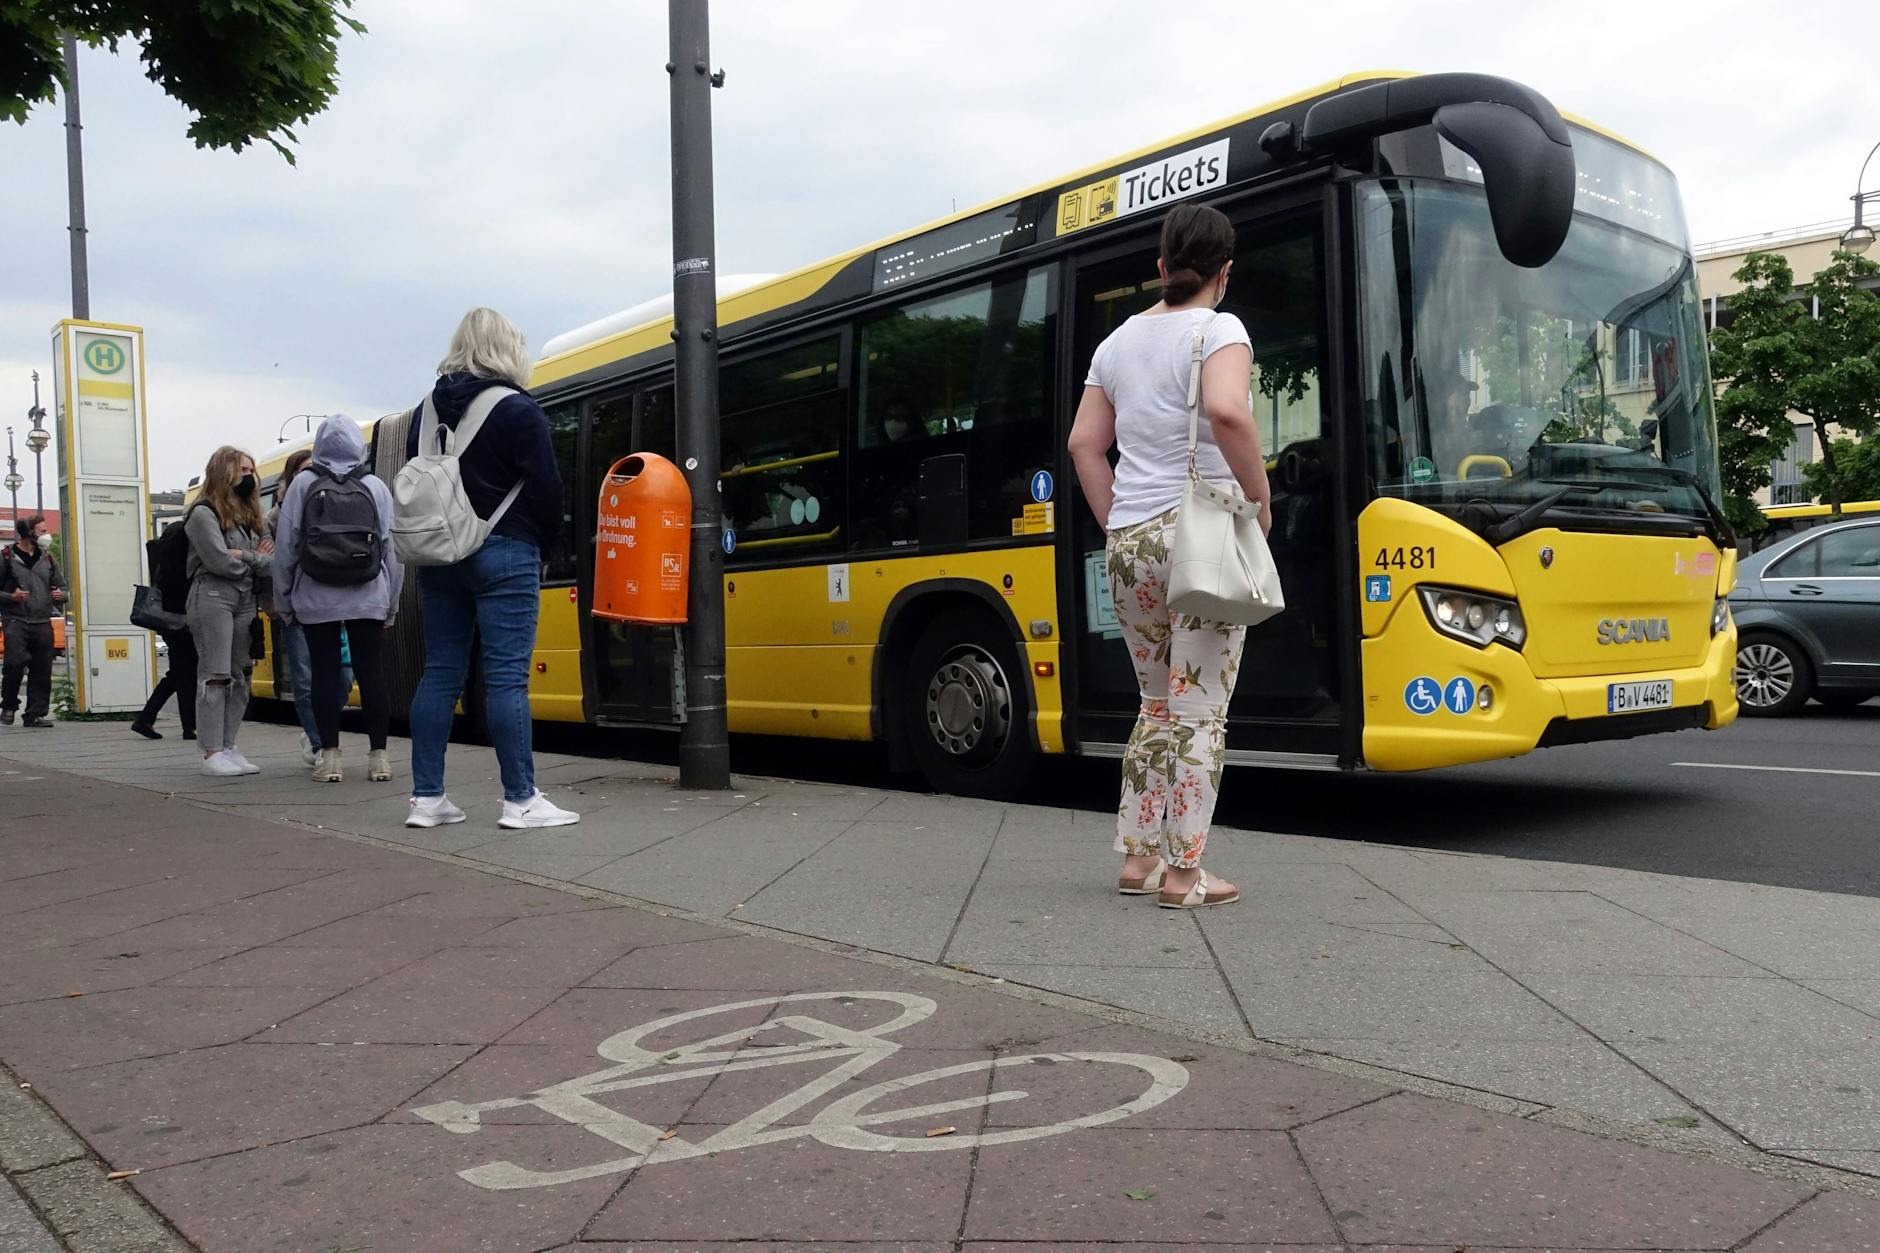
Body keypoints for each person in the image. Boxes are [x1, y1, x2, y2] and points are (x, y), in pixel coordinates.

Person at [1067, 203, 1272, 910]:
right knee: (1200, 710)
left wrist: (1118, 520)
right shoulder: (1221, 328)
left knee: (1156, 703)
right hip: (1201, 537)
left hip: (1130, 540)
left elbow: (1084, 445)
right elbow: (1227, 411)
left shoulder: (1116, 342)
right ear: (1224, 270)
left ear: (1161, 267)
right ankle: (1184, 874)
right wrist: (1261, 500)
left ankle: (1138, 859)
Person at [402, 308, 577, 829]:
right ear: (508, 349)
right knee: (505, 679)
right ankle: (521, 800)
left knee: (440, 673)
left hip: (440, 554)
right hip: (505, 550)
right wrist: (548, 544)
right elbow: (548, 490)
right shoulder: (519, 410)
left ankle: (427, 799)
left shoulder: (423, 412)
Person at [274, 416, 402, 784]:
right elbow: (392, 551)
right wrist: (390, 602)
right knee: (372, 675)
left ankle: (329, 757)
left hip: (316, 596)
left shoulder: (302, 485)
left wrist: (285, 602)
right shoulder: (375, 486)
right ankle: (379, 757)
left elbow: (286, 548)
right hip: (369, 596)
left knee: (325, 677)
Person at [185, 446, 273, 777]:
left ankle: (228, 743)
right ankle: (211, 750)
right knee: (216, 674)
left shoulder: (253, 517)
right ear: (225, 472)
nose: (250, 476)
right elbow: (219, 560)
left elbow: (273, 563)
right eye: (244, 470)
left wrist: (246, 556)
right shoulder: (203, 513)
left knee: (242, 675)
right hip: (212, 595)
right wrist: (256, 560)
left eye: (252, 470)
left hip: (245, 599)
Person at [270, 447, 351, 765]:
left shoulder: (334, 502)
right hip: (299, 604)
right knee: (304, 678)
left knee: (343, 676)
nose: (312, 475)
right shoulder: (279, 514)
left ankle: (314, 728)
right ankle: (319, 745)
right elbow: (277, 558)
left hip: (336, 602)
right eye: (304, 470)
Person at [0, 515, 66, 729]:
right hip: (16, 620)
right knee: (14, 664)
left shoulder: (47, 558)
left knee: (42, 668)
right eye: (41, 530)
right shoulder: (7, 557)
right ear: (28, 532)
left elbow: (63, 587)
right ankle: (9, 705)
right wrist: (12, 597)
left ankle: (35, 714)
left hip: (42, 620)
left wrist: (61, 595)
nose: (46, 534)